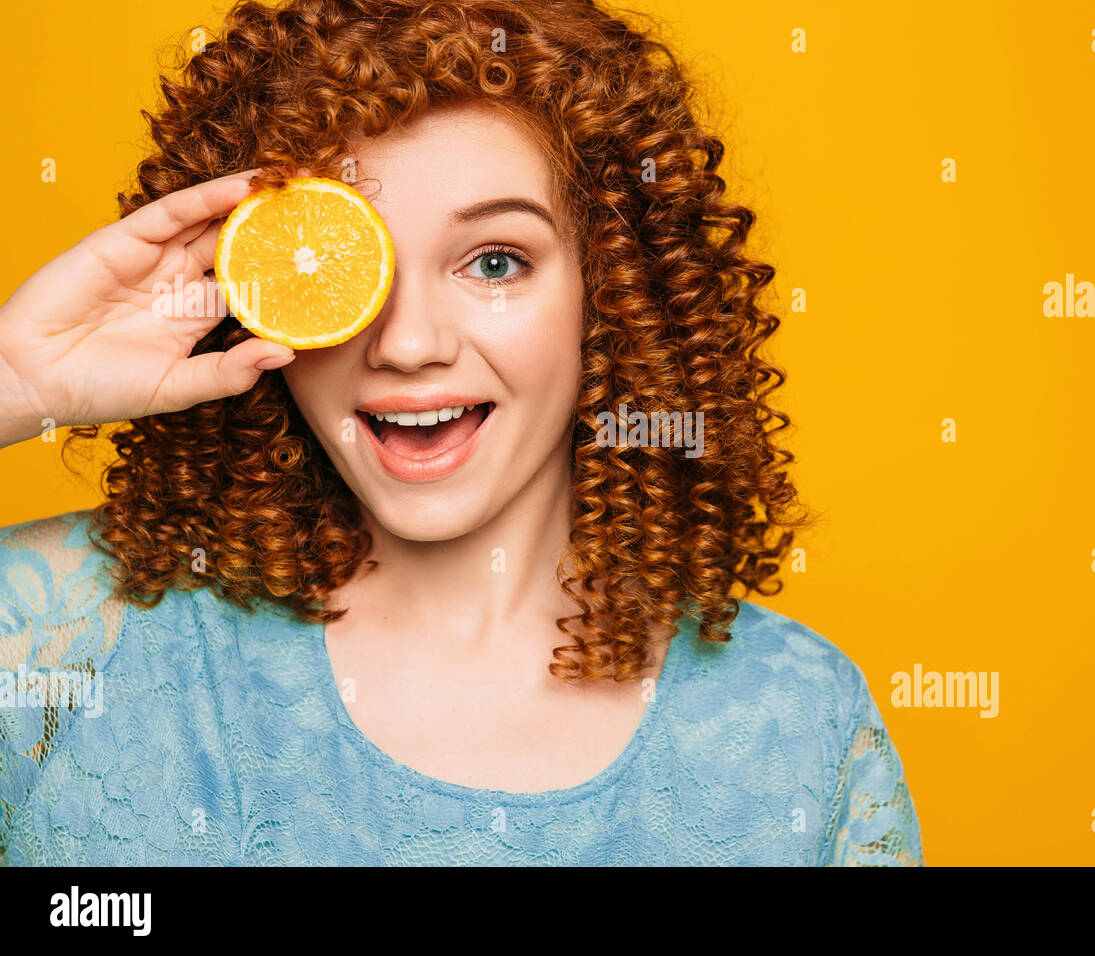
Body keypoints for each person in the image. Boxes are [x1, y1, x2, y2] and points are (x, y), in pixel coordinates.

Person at [0, 0, 923, 865]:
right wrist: (14, 384)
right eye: (338, 263)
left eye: (494, 261)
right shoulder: (61, 633)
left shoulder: (798, 724)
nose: (406, 346)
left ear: (614, 290)